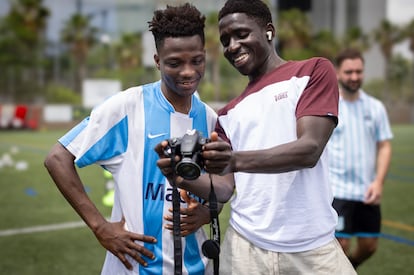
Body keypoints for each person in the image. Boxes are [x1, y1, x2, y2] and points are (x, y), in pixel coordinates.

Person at [156, 0, 356, 274]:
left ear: (269, 31)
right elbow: (224, 189)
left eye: (241, 34)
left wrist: (233, 159)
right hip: (243, 249)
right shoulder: (226, 114)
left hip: (313, 248)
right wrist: (181, 177)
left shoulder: (312, 72)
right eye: (226, 40)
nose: (232, 46)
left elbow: (309, 150)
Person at [44, 3, 222, 274]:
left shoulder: (209, 117)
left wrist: (209, 211)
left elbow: (219, 186)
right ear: (157, 61)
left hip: (196, 266)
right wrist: (100, 227)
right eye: (175, 63)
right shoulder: (128, 107)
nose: (188, 72)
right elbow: (57, 158)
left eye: (196, 60)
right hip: (134, 267)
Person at [328, 48, 393, 269]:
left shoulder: (375, 108)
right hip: (337, 192)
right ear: (337, 72)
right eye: (349, 72)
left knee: (369, 245)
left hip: (367, 192)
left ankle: (349, 268)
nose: (354, 77)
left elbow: (384, 145)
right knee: (340, 246)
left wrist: (378, 182)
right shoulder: (329, 106)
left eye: (358, 71)